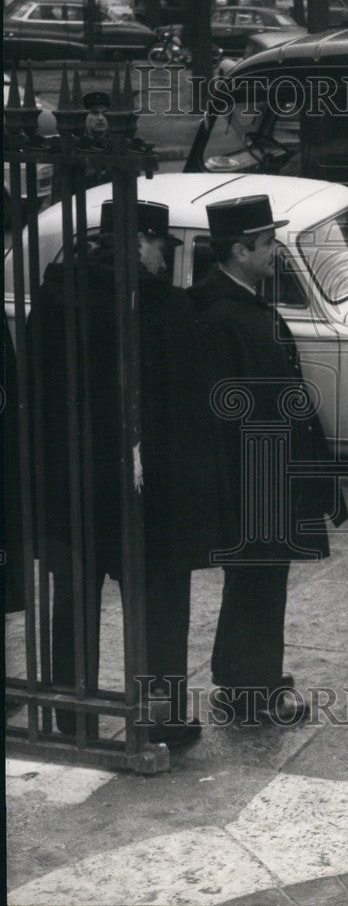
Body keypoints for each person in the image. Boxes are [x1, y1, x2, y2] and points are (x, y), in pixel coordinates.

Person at [37, 200, 221, 748]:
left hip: (71, 483)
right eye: (161, 248)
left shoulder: (52, 297)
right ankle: (161, 715)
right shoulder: (161, 307)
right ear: (140, 243)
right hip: (146, 487)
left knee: (74, 598)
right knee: (160, 602)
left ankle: (74, 710)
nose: (164, 261)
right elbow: (186, 409)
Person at [190, 195, 346, 723]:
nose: (276, 250)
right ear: (239, 251)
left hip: (267, 470)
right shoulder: (221, 315)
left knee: (261, 578)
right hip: (252, 474)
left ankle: (246, 677)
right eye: (267, 242)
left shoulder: (242, 305)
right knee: (256, 578)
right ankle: (251, 691)